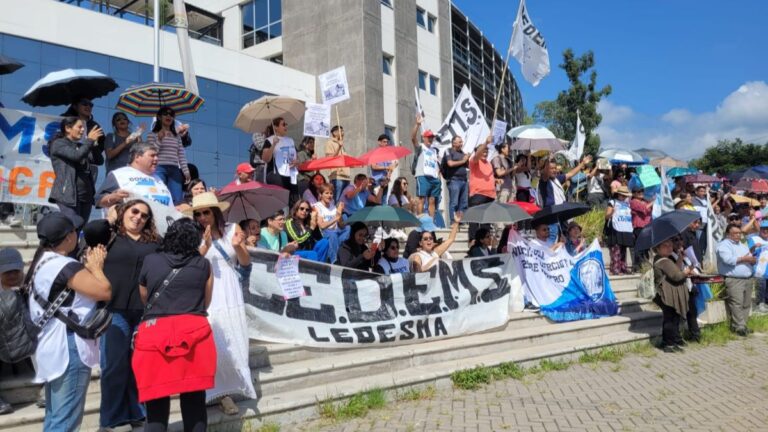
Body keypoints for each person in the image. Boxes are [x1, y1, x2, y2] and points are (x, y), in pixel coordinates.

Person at [27, 213, 111, 431]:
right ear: (67, 238)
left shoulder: (41, 262)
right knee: (65, 422)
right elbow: (104, 291)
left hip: (51, 345)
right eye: (74, 231)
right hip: (68, 347)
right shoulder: (65, 266)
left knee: (55, 418)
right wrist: (97, 268)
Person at [132, 218, 215, 432]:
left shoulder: (150, 260)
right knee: (195, 400)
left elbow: (145, 297)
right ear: (195, 240)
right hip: (194, 334)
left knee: (156, 403)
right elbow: (206, 301)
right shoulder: (203, 264)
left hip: (155, 334)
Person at [186, 192, 256, 414]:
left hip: (230, 289)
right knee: (215, 342)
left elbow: (245, 263)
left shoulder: (233, 229)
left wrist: (238, 246)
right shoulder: (193, 235)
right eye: (198, 214)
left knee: (235, 338)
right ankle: (220, 393)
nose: (202, 217)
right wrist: (205, 245)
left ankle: (233, 384)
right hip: (208, 291)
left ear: (215, 212)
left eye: (206, 212)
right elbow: (191, 264)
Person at [97, 199, 161, 430]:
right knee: (114, 366)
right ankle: (111, 419)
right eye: (134, 211)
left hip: (144, 312)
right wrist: (110, 220)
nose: (139, 217)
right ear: (124, 212)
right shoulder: (110, 236)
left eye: (144, 215)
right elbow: (89, 234)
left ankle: (137, 413)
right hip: (114, 310)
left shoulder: (155, 242)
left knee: (139, 366)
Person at [49, 117, 105, 228]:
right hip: (67, 195)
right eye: (79, 127)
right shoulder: (58, 144)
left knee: (80, 229)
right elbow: (76, 156)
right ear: (68, 128)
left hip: (86, 196)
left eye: (83, 127)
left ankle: (75, 246)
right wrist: (89, 141)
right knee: (74, 225)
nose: (83, 130)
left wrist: (93, 145)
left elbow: (99, 161)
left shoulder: (81, 146)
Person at [96, 141, 173, 210]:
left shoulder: (158, 178)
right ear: (137, 157)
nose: (156, 158)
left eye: (157, 156)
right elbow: (98, 200)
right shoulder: (119, 174)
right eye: (152, 155)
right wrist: (113, 197)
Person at [716, 223, 756, 336]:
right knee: (736, 303)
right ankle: (739, 326)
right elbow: (727, 260)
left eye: (740, 233)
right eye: (735, 233)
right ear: (728, 234)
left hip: (747, 278)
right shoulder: (724, 245)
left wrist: (752, 260)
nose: (738, 235)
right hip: (734, 279)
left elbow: (748, 257)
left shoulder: (742, 245)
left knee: (746, 304)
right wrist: (745, 258)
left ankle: (742, 325)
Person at [653, 239, 692, 353]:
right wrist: (686, 272)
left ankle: (672, 340)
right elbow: (676, 276)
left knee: (673, 318)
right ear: (658, 248)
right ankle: (669, 344)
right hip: (667, 294)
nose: (670, 247)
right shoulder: (663, 261)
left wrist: (680, 258)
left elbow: (675, 269)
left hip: (668, 293)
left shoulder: (665, 259)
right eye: (666, 245)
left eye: (671, 245)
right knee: (670, 319)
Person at [146, 106, 191, 206]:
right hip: (158, 168)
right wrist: (159, 139)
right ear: (159, 117)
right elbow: (151, 153)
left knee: (177, 199)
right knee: (159, 196)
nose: (168, 116)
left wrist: (186, 171)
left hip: (174, 169)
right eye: (165, 114)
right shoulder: (151, 134)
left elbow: (181, 154)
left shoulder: (176, 136)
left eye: (171, 115)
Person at [261, 117, 299, 206]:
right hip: (276, 175)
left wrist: (297, 162)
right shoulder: (269, 140)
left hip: (291, 175)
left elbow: (297, 158)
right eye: (283, 124)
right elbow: (265, 158)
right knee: (280, 204)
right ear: (275, 127)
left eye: (286, 124)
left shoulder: (290, 141)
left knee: (294, 203)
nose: (286, 126)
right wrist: (273, 144)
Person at [671, 234, 701, 343]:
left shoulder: (686, 255)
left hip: (689, 286)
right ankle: (676, 337)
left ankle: (695, 335)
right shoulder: (670, 256)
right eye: (676, 240)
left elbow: (695, 268)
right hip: (678, 288)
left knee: (692, 313)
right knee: (677, 314)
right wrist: (680, 258)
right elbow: (675, 271)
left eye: (680, 239)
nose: (679, 242)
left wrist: (693, 269)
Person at [410, 115, 441, 219]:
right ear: (424, 137)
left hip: (434, 177)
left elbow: (436, 164)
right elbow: (413, 138)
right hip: (423, 175)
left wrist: (438, 176)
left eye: (432, 137)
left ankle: (431, 222)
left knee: (432, 200)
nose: (430, 139)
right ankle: (421, 220)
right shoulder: (420, 147)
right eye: (428, 137)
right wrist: (417, 124)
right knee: (422, 199)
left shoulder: (434, 150)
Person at [468, 141, 496, 242]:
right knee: (474, 220)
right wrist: (486, 143)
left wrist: (496, 180)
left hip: (489, 196)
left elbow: (486, 178)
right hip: (478, 195)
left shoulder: (488, 163)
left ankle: (485, 242)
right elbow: (477, 155)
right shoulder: (474, 160)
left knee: (486, 221)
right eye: (483, 151)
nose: (485, 153)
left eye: (487, 151)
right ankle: (473, 242)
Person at [605, 186, 635, 275]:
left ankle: (623, 268)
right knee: (616, 250)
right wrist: (612, 212)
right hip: (615, 229)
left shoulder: (627, 204)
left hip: (625, 228)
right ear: (618, 194)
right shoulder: (612, 203)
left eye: (625, 195)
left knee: (623, 250)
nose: (623, 197)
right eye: (622, 195)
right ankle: (615, 269)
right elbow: (606, 216)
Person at [442, 136, 469, 224]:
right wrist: (463, 161)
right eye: (459, 142)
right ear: (453, 143)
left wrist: (467, 158)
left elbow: (467, 166)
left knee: (463, 203)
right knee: (454, 202)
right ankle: (453, 221)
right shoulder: (448, 151)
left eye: (461, 142)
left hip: (464, 181)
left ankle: (461, 221)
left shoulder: (462, 153)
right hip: (454, 180)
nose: (461, 144)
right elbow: (450, 163)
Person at [325, 125, 351, 203]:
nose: (343, 133)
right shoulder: (330, 143)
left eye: (343, 131)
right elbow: (330, 159)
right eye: (341, 131)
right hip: (337, 176)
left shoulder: (342, 145)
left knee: (344, 201)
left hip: (346, 177)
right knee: (336, 200)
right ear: (334, 132)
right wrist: (338, 147)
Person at [630, 187, 653, 272]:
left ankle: (645, 266)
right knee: (639, 248)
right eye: (638, 192)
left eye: (642, 191)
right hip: (639, 226)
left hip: (647, 226)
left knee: (646, 248)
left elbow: (648, 209)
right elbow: (644, 209)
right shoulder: (633, 202)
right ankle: (637, 266)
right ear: (634, 194)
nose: (641, 193)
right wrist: (652, 202)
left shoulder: (645, 201)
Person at [748, 220, 768, 313]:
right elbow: (748, 253)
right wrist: (754, 247)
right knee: (761, 288)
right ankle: (760, 304)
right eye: (763, 229)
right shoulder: (754, 239)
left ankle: (765, 304)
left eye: (767, 229)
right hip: (759, 270)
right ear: (760, 230)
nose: (765, 231)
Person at [692, 185, 710, 255]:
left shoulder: (706, 201)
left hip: (707, 226)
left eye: (704, 191)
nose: (703, 193)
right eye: (701, 191)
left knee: (706, 244)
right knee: (699, 243)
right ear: (696, 192)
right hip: (699, 226)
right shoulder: (693, 200)